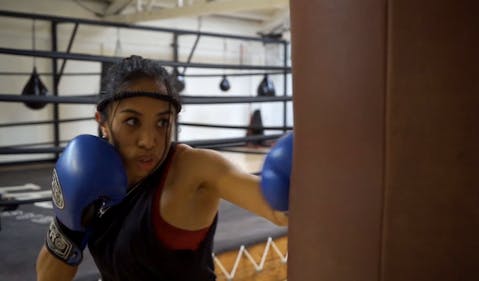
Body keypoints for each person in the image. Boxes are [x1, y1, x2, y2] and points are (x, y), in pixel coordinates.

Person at [36, 55, 292, 281]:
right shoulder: (89, 174)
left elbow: (280, 212)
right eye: (132, 121)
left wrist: (294, 181)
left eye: (162, 122)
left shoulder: (192, 169)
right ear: (102, 122)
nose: (149, 140)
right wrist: (68, 225)